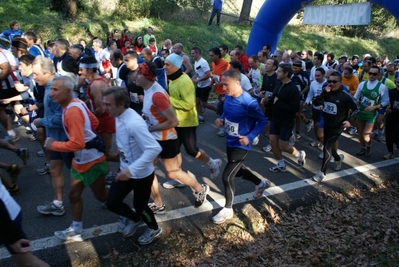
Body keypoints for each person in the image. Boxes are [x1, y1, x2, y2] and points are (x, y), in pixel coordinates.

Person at [136, 62, 210, 212]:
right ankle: (158, 204)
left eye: (139, 73)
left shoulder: (157, 95)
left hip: (165, 139)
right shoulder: (149, 89)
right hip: (157, 138)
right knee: (149, 170)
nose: (135, 76)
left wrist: (151, 127)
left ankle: (199, 189)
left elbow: (173, 121)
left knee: (172, 172)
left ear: (147, 77)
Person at [44, 76, 108, 241]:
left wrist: (54, 145)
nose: (51, 94)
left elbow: (78, 144)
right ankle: (76, 229)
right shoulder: (76, 103)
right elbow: (93, 121)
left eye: (55, 90)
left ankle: (129, 216)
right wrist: (85, 131)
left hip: (91, 160)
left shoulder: (72, 110)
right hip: (80, 159)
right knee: (73, 194)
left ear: (67, 91)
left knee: (102, 197)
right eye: (51, 89)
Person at [103, 86, 163, 245]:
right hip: (125, 169)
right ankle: (135, 219)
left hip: (141, 174)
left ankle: (154, 228)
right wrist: (120, 152)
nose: (105, 108)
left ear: (121, 104)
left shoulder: (134, 123)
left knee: (141, 205)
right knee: (112, 202)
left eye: (108, 104)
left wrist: (131, 170)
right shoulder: (118, 115)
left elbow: (154, 148)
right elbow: (128, 141)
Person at [212, 69, 271, 224]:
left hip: (242, 144)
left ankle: (228, 209)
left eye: (226, 85)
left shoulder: (249, 102)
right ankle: (261, 183)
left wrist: (250, 137)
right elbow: (227, 114)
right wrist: (221, 119)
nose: (223, 88)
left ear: (237, 83)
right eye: (222, 85)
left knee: (227, 176)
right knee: (237, 172)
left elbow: (262, 121)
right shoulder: (228, 96)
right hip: (230, 140)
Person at [163, 53, 222, 186]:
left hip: (187, 123)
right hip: (176, 120)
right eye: (164, 63)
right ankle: (177, 178)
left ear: (176, 66)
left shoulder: (184, 82)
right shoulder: (172, 78)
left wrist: (169, 100)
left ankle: (213, 163)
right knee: (174, 150)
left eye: (167, 64)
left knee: (191, 150)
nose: (164, 67)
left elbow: (189, 105)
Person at [33, 56, 70, 215]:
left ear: (48, 73)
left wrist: (42, 121)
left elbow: (62, 118)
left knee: (84, 175)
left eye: (36, 74)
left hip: (67, 140)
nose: (34, 77)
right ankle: (58, 203)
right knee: (55, 170)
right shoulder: (49, 88)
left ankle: (109, 201)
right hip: (55, 139)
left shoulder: (55, 90)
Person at [312, 71, 359, 182]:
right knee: (327, 143)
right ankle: (338, 158)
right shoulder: (326, 91)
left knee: (327, 147)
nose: (331, 83)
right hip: (327, 121)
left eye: (334, 81)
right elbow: (316, 102)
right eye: (329, 81)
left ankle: (322, 173)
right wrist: (324, 93)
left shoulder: (344, 95)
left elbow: (356, 109)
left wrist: (349, 121)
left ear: (340, 82)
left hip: (338, 125)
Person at [262, 63, 306, 172]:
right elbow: (274, 99)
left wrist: (279, 103)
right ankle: (281, 164)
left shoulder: (293, 89)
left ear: (286, 74)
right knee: (272, 142)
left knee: (283, 146)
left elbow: (295, 108)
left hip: (286, 121)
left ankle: (299, 154)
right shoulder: (278, 83)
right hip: (275, 118)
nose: (277, 73)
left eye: (280, 71)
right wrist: (267, 102)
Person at [0, 179, 50, 267]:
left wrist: (12, 238)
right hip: (8, 212)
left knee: (29, 262)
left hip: (5, 217)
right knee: (28, 262)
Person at [78, 56, 115, 155]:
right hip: (100, 120)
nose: (79, 72)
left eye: (81, 69)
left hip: (104, 121)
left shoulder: (96, 85)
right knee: (100, 151)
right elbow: (91, 100)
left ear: (90, 70)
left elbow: (101, 109)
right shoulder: (95, 82)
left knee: (103, 152)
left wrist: (87, 121)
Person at [354, 65, 389, 156]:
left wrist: (375, 107)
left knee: (366, 135)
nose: (371, 75)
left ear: (378, 75)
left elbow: (386, 101)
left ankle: (369, 145)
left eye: (374, 74)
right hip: (361, 112)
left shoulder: (382, 87)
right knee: (360, 133)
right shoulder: (362, 84)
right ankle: (363, 148)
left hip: (372, 114)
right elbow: (355, 97)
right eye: (370, 73)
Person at [190, 47, 217, 123]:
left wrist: (197, 80)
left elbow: (208, 74)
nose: (191, 55)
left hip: (206, 86)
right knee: (197, 101)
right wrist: (192, 78)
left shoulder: (203, 62)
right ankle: (200, 117)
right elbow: (197, 72)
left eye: (193, 53)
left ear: (198, 53)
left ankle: (217, 110)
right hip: (199, 85)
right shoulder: (196, 62)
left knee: (203, 103)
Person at [209, 47, 230, 136]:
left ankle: (225, 128)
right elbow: (214, 75)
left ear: (218, 55)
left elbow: (229, 77)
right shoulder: (213, 64)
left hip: (225, 91)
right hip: (218, 89)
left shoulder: (226, 64)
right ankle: (225, 126)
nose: (210, 57)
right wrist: (211, 84)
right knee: (221, 109)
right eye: (209, 55)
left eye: (212, 55)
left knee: (221, 109)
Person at [383, 79, 399, 159]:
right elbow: (385, 102)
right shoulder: (392, 92)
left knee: (395, 136)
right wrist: (386, 108)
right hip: (390, 117)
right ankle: (390, 152)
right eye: (398, 82)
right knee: (388, 136)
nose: (398, 84)